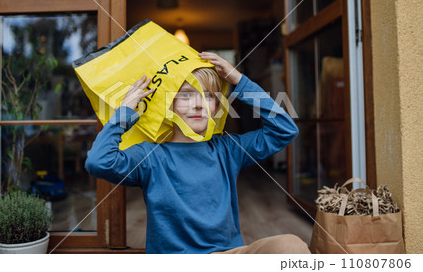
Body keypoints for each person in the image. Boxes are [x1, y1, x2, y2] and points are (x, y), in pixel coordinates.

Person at [85, 52, 310, 254]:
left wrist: (239, 80)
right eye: (186, 95)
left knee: (291, 246)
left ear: (216, 107)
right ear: (168, 106)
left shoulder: (227, 149)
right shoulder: (150, 156)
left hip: (226, 256)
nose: (199, 104)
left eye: (209, 96)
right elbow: (98, 162)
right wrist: (124, 112)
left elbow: (284, 130)